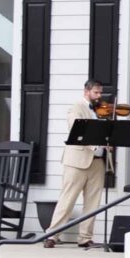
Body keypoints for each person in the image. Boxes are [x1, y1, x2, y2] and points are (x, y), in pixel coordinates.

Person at [47, 79, 108, 246]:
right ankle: (52, 235)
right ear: (86, 92)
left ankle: (85, 238)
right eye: (96, 92)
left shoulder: (102, 111)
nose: (99, 96)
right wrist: (96, 144)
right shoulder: (76, 108)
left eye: (100, 92)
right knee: (68, 198)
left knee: (93, 202)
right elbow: (77, 130)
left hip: (98, 162)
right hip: (77, 160)